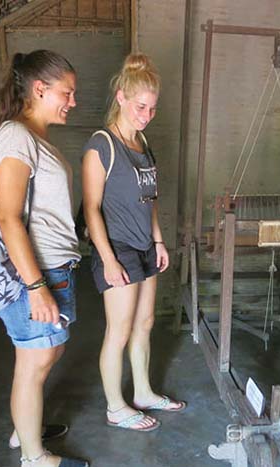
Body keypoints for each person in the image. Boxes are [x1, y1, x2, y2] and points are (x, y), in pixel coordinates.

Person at [0, 50, 88, 467]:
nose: (73, 102)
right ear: (40, 89)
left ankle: (23, 427)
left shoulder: (33, 137)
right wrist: (36, 286)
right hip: (37, 272)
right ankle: (33, 456)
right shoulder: (16, 137)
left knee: (48, 352)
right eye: (67, 92)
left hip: (54, 267)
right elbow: (8, 218)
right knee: (35, 360)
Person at [82, 53, 186, 432]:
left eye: (152, 108)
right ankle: (115, 407)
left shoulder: (142, 143)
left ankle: (142, 392)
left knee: (145, 322)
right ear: (121, 97)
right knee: (120, 329)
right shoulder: (102, 145)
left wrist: (158, 242)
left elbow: (149, 199)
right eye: (141, 106)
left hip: (144, 246)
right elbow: (91, 208)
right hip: (117, 247)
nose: (147, 115)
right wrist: (108, 259)